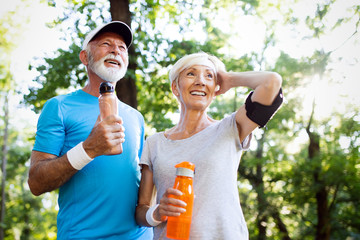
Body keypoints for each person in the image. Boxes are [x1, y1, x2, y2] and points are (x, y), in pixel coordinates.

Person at [135, 52, 283, 239]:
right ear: (175, 87)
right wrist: (156, 213)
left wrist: (228, 78)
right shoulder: (154, 143)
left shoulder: (231, 128)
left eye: (209, 76)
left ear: (215, 90)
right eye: (191, 74)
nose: (200, 81)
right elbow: (141, 210)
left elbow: (272, 82)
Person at [28, 21, 153, 239]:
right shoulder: (59, 107)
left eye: (122, 47)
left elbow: (141, 180)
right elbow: (36, 182)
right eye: (106, 43)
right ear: (85, 57)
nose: (116, 49)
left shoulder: (136, 117)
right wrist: (87, 149)